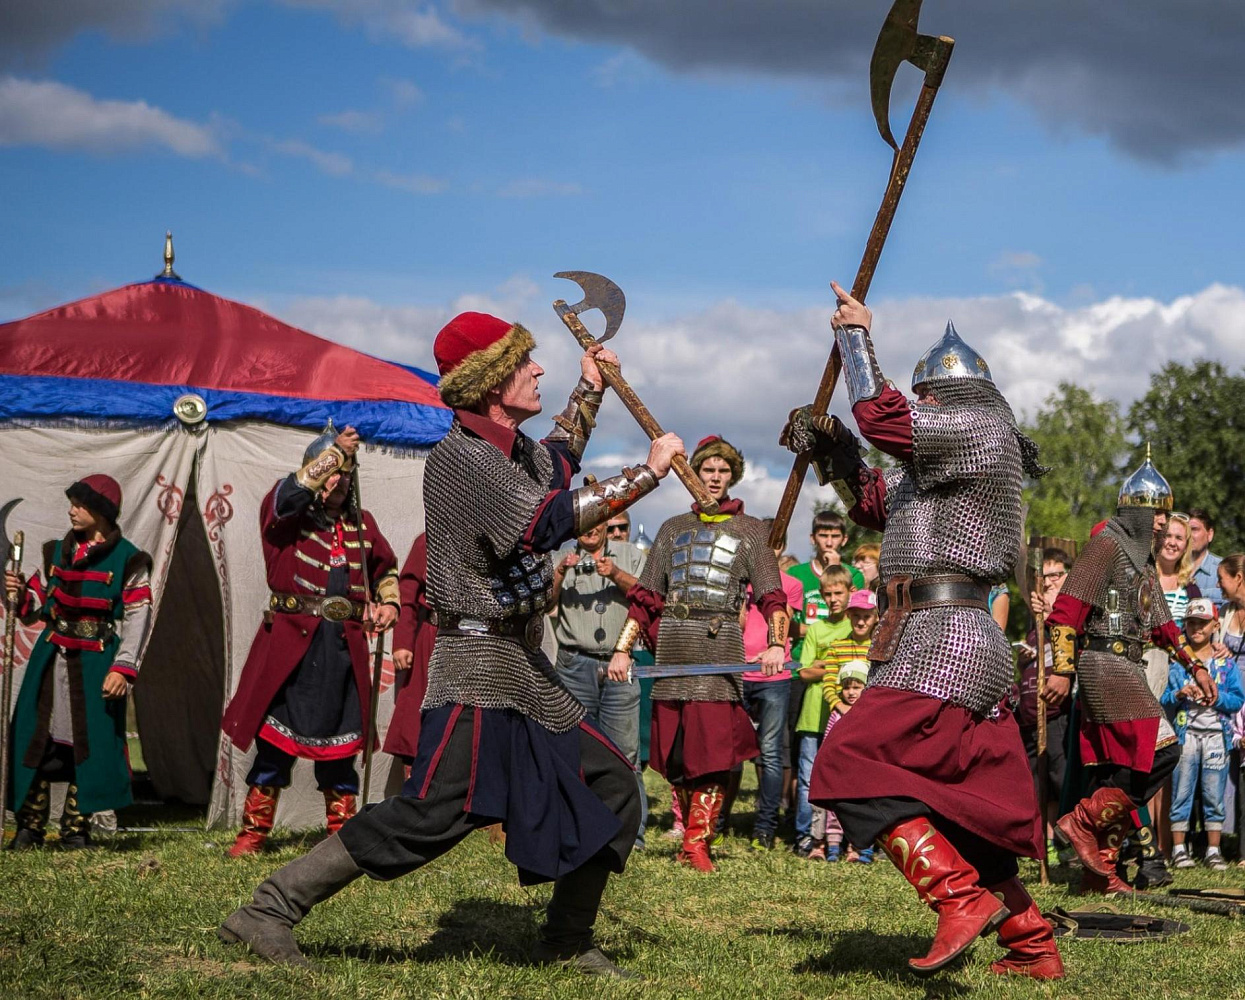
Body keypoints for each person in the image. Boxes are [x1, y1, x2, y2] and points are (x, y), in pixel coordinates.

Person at [220, 311, 684, 979]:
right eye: (525, 362)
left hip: (521, 666)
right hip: (475, 662)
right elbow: (542, 521)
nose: (538, 370)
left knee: (610, 782)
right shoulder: (459, 459)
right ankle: (269, 908)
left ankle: (565, 937)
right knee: (433, 811)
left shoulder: (510, 450)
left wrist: (590, 389)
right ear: (493, 379)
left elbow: (557, 462)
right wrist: (645, 476)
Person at [781, 283, 1062, 979]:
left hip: (947, 638)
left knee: (844, 763)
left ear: (957, 402)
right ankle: (1030, 943)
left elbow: (885, 420)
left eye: (927, 397)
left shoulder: (981, 432)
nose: (923, 408)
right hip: (935, 635)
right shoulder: (935, 464)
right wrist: (836, 451)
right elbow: (877, 503)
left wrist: (854, 337)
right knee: (960, 807)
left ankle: (956, 896)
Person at [218, 424, 400, 856]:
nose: (338, 480)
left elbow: (385, 571)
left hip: (341, 652)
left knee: (341, 748)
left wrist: (389, 604)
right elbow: (287, 495)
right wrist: (332, 455)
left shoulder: (363, 524)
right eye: (330, 472)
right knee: (274, 747)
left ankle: (341, 838)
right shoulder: (286, 516)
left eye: (345, 472)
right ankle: (253, 834)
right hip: (292, 650)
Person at [610, 435, 788, 874]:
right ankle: (687, 832)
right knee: (676, 756)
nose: (714, 477)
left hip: (717, 645)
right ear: (694, 473)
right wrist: (622, 649)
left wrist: (775, 643)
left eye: (723, 471)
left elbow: (772, 596)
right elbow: (647, 597)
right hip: (673, 647)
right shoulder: (672, 529)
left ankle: (697, 843)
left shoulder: (751, 532)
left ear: (732, 477)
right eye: (708, 469)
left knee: (710, 754)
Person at [1045, 452, 1217, 896]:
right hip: (1104, 665)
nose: (1163, 522)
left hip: (1128, 666)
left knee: (1114, 772)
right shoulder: (1107, 545)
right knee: (1164, 752)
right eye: (1157, 513)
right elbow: (1064, 614)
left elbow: (1161, 625)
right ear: (1137, 512)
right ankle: (1082, 823)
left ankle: (1099, 873)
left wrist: (1195, 666)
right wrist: (1061, 672)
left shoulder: (1140, 562)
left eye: (1165, 514)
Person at [4, 475, 152, 850]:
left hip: (96, 661)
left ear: (100, 513)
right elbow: (32, 611)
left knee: (90, 745)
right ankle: (30, 826)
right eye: (72, 503)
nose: (72, 510)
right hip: (50, 658)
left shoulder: (129, 558)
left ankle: (75, 829)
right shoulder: (55, 552)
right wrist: (18, 593)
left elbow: (138, 616)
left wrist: (124, 668)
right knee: (34, 737)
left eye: (80, 505)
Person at [548, 514, 646, 844]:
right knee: (574, 749)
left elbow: (647, 597)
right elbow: (544, 602)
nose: (591, 528)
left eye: (598, 521)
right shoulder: (559, 557)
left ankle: (632, 833)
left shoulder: (631, 553)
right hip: (575, 664)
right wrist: (561, 573)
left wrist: (614, 573)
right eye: (584, 522)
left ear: (605, 524)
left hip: (620, 662)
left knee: (625, 750)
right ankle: (578, 828)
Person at [717, 517, 802, 851]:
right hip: (737, 673)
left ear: (779, 548)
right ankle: (718, 821)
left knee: (769, 754)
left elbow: (784, 616)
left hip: (773, 678)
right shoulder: (737, 581)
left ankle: (765, 827)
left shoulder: (789, 583)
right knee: (729, 754)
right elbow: (733, 624)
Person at [1161, 599, 1243, 870]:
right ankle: (1179, 849)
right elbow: (1161, 698)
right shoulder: (1176, 664)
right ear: (1184, 625)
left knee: (1213, 792)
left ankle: (1213, 849)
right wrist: (1179, 693)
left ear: (1215, 625)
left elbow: (1237, 700)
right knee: (1181, 791)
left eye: (1203, 622)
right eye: (1192, 622)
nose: (1197, 628)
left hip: (1217, 736)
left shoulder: (1226, 665)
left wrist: (1217, 698)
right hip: (1185, 736)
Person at [1017, 548, 1073, 867]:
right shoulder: (1035, 618)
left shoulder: (1066, 611)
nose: (1049, 582)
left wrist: (1050, 611)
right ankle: (1043, 841)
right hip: (1030, 712)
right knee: (1036, 780)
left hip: (1056, 712)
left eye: (1056, 575)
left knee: (1058, 778)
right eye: (1044, 577)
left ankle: (1065, 840)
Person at [793, 565, 853, 856]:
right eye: (827, 594)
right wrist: (839, 666)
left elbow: (861, 667)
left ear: (849, 592)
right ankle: (805, 835)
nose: (833, 599)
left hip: (845, 714)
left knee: (844, 777)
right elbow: (803, 671)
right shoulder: (816, 628)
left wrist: (823, 665)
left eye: (838, 593)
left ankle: (842, 837)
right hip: (812, 712)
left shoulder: (855, 625)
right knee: (807, 777)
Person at [383, 533, 436, 771]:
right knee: (417, 728)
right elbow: (407, 595)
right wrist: (402, 642)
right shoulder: (429, 540)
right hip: (433, 640)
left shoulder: (491, 542)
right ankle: (415, 797)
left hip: (479, 645)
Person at [821, 661, 870, 862]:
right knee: (835, 811)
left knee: (862, 811)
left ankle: (859, 848)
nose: (851, 692)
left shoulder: (870, 715)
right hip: (840, 772)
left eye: (857, 687)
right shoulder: (837, 715)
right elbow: (827, 743)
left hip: (863, 773)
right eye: (846, 687)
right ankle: (833, 846)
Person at [1156, 511, 1200, 629]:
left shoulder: (1190, 587)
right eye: (1168, 536)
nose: (1172, 543)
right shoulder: (1142, 578)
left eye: (1179, 538)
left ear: (1186, 547)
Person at [1188, 508, 1223, 605]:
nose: (1189, 535)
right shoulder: (1169, 570)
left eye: (1194, 530)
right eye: (1186, 530)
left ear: (1210, 534)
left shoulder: (1223, 571)